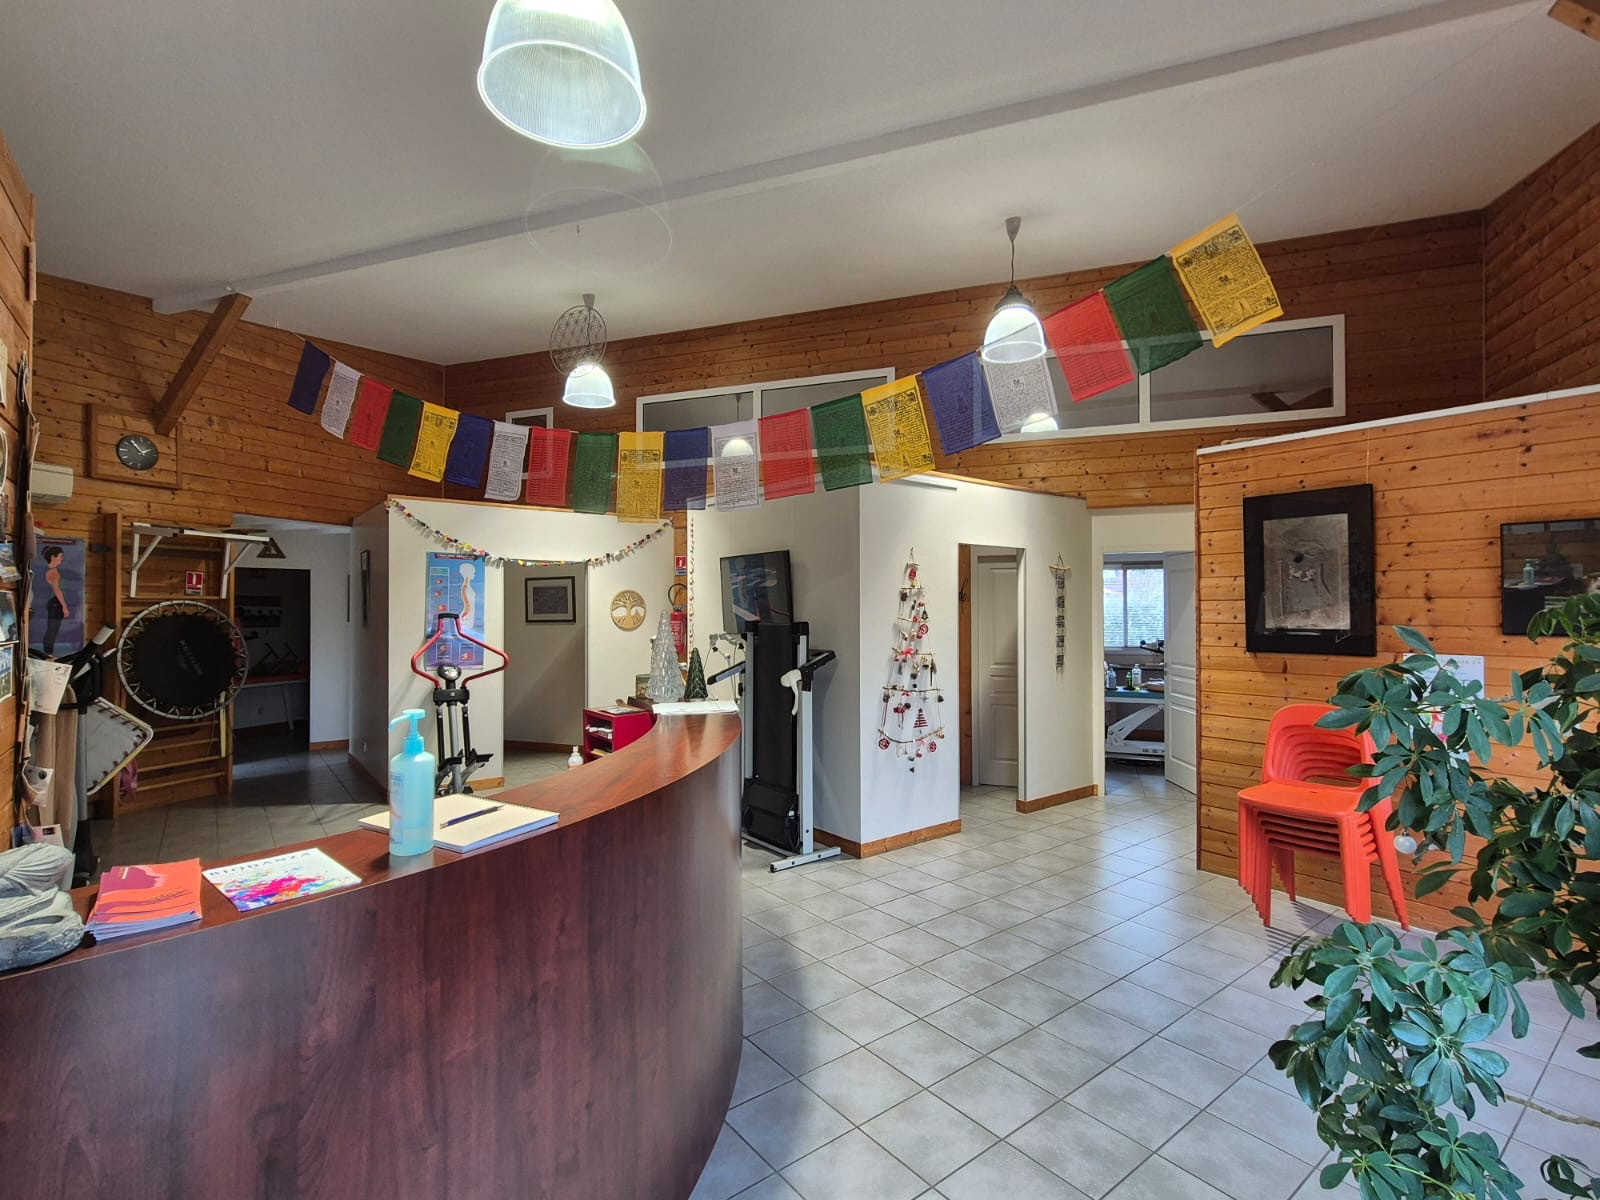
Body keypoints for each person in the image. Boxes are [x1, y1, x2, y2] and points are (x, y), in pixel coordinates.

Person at [41, 545, 68, 656]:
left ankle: (48, 652)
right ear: (53, 557)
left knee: (53, 628)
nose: (61, 559)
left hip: (54, 602)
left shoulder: (52, 570)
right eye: (60, 556)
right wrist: (64, 607)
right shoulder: (52, 572)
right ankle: (48, 652)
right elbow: (57, 591)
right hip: (55, 603)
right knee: (52, 628)